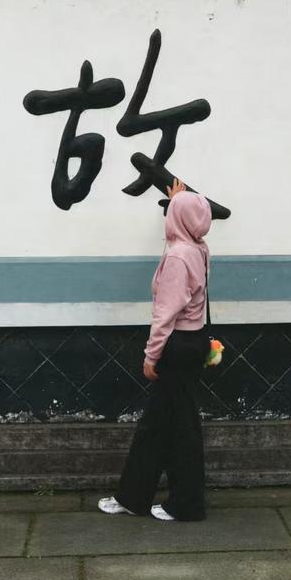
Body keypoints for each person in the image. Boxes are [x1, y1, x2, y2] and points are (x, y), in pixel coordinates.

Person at [98, 178, 212, 522]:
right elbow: (180, 238)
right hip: (194, 341)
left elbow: (165, 312)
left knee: (177, 427)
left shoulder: (178, 257)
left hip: (176, 346)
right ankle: (134, 498)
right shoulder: (199, 248)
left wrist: (151, 355)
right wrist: (179, 202)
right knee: (160, 425)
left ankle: (186, 504)